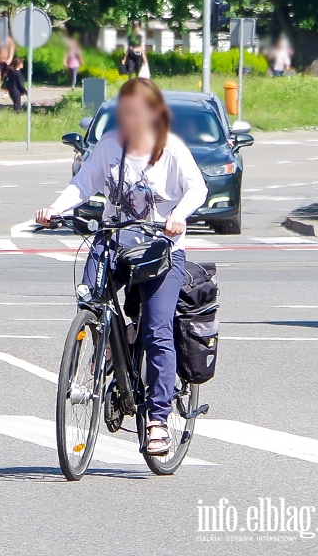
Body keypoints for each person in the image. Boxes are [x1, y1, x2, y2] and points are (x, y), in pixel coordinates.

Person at [35, 78, 207, 455]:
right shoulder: (111, 145)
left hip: (161, 248)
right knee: (90, 300)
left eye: (135, 113)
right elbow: (83, 185)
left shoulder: (171, 149)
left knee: (157, 330)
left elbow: (198, 189)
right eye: (123, 113)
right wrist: (55, 209)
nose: (128, 120)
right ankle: (106, 342)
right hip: (116, 241)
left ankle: (158, 419)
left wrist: (177, 216)